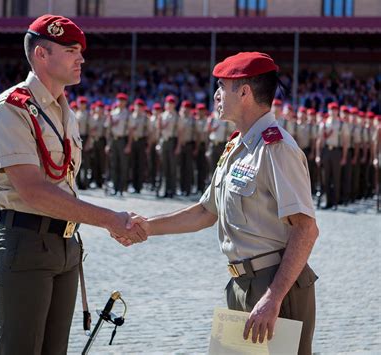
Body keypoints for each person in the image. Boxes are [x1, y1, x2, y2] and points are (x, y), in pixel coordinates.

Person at [126, 52, 319, 354]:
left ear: (244, 92)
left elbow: (306, 230)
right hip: (240, 284)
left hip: (275, 284)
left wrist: (273, 297)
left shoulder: (276, 148)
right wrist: (147, 227)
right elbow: (206, 211)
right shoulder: (237, 145)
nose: (215, 95)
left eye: (222, 86)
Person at [0, 15, 146, 355]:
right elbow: (32, 191)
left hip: (65, 245)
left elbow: (63, 183)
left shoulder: (63, 109)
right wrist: (108, 218)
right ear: (42, 55)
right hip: (26, 242)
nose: (81, 58)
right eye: (71, 50)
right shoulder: (12, 109)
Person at [106, 93, 131, 195]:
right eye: (119, 100)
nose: (120, 102)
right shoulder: (113, 113)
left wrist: (129, 144)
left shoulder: (128, 114)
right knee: (114, 164)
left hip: (122, 140)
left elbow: (130, 131)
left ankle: (122, 188)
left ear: (125, 102)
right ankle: (115, 187)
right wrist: (108, 144)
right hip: (114, 140)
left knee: (123, 165)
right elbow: (108, 129)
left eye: (123, 100)